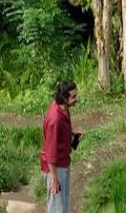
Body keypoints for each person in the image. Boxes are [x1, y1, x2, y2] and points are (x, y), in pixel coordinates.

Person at [41, 80, 78, 213]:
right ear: (64, 98)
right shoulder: (55, 120)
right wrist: (54, 179)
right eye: (73, 97)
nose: (76, 99)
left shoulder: (63, 108)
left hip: (63, 163)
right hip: (55, 169)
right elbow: (50, 154)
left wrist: (72, 135)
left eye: (76, 95)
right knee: (57, 209)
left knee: (62, 206)